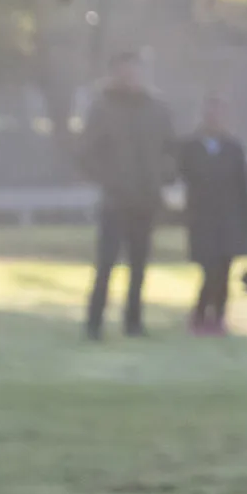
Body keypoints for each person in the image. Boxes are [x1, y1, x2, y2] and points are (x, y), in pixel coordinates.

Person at [79, 51, 175, 340]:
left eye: (134, 71)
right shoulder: (102, 107)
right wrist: (109, 179)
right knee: (106, 263)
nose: (130, 77)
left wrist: (163, 175)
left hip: (146, 198)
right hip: (115, 200)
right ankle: (94, 323)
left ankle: (133, 323)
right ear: (114, 73)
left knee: (139, 265)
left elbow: (169, 148)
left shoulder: (157, 108)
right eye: (124, 72)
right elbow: (86, 152)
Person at [177, 94, 247, 336]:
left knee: (224, 270)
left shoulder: (234, 148)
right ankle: (200, 315)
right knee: (209, 269)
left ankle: (218, 317)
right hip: (202, 218)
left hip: (229, 218)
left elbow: (244, 187)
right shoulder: (190, 148)